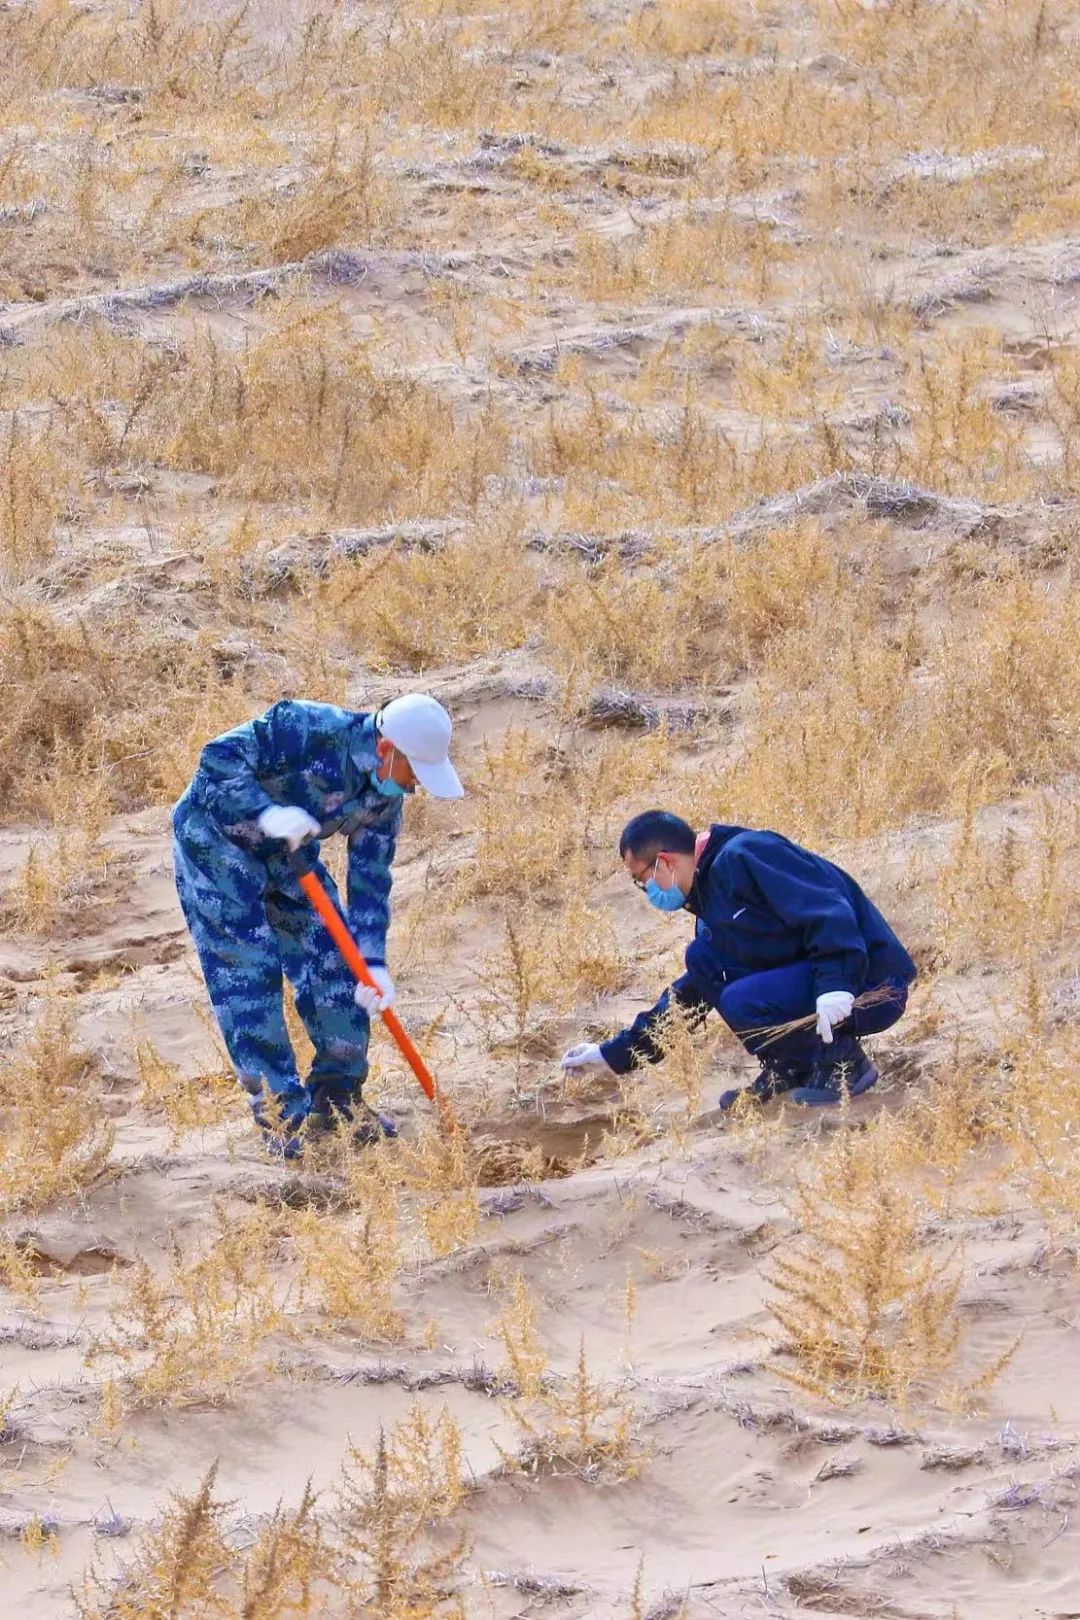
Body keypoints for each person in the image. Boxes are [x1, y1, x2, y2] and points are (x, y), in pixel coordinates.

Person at [172, 693, 463, 1154]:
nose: (414, 787)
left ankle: (339, 1098)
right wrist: (265, 811)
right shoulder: (307, 726)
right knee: (249, 977)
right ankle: (282, 1119)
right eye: (414, 774)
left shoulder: (385, 797)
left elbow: (371, 879)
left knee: (338, 962)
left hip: (290, 857)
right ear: (387, 750)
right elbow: (217, 758)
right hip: (216, 848)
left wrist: (373, 962)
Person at [560, 811, 915, 1108]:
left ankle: (843, 1065)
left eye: (643, 879)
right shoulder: (708, 897)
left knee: (741, 999)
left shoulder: (748, 855)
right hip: (827, 989)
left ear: (665, 862)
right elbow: (691, 996)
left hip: (870, 986)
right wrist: (612, 1056)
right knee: (702, 959)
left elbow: (828, 912)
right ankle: (795, 1069)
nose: (648, 891)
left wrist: (836, 985)